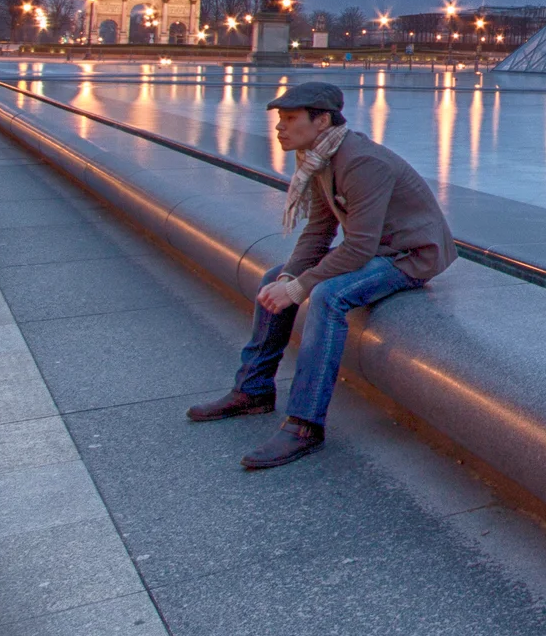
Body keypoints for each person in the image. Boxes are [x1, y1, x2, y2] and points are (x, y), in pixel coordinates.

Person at [185, 80, 455, 470]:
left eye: (290, 118)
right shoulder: (318, 158)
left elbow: (359, 247)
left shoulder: (362, 163)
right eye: (280, 118)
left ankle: (305, 424)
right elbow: (320, 230)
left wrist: (302, 288)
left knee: (328, 296)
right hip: (380, 247)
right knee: (274, 277)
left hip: (410, 256)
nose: (279, 127)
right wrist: (290, 278)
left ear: (322, 120)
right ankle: (253, 390)